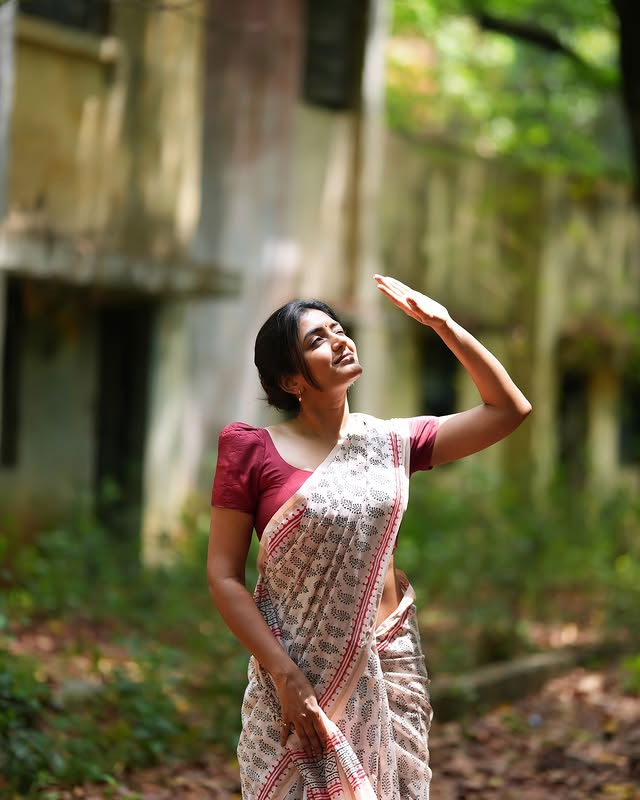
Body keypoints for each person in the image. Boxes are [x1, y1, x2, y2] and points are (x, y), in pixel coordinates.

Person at [207, 274, 531, 800]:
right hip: (295, 673)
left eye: (339, 329)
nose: (339, 340)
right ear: (290, 380)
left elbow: (508, 410)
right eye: (317, 339)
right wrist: (285, 676)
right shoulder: (252, 451)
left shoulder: (390, 442)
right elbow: (224, 577)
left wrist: (444, 325)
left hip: (390, 667)